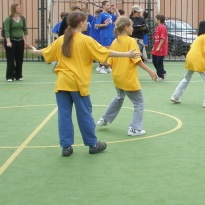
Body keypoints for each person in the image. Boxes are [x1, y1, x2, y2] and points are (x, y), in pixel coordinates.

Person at [29, 11, 141, 156]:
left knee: (64, 115)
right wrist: (127, 54)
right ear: (81, 23)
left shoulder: (62, 39)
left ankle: (66, 147)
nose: (87, 24)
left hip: (62, 83)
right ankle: (92, 144)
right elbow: (106, 52)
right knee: (85, 115)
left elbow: (47, 51)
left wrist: (35, 51)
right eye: (86, 21)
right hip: (78, 84)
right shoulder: (86, 40)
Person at [96, 16, 157, 136]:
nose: (133, 29)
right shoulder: (131, 41)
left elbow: (110, 63)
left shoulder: (115, 42)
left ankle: (104, 119)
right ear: (126, 27)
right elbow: (138, 61)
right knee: (139, 102)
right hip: (128, 78)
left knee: (119, 97)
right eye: (131, 26)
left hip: (117, 77)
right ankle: (134, 128)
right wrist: (150, 71)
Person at [170, 20, 205, 107]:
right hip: (197, 60)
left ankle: (175, 96)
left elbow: (199, 52)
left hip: (190, 59)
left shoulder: (198, 38)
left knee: (186, 79)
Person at [3, 3, 30, 82]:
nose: (20, 9)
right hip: (11, 41)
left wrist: (27, 41)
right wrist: (8, 41)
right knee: (10, 59)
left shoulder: (22, 18)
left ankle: (18, 75)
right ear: (14, 9)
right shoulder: (8, 19)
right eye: (18, 8)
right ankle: (10, 76)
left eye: (20, 8)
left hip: (20, 41)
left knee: (19, 59)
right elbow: (6, 30)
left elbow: (25, 29)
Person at [95, 1, 120, 73]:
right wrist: (105, 25)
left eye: (109, 5)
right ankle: (100, 66)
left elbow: (119, 17)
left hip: (111, 35)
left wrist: (115, 9)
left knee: (108, 51)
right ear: (103, 6)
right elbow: (96, 25)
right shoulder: (102, 14)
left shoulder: (109, 15)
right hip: (105, 35)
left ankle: (106, 65)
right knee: (107, 51)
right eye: (107, 5)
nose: (109, 6)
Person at [151, 14, 168, 81]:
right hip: (156, 48)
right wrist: (154, 47)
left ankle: (160, 76)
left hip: (160, 48)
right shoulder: (157, 27)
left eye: (155, 18)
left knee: (158, 62)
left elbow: (162, 38)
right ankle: (163, 72)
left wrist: (158, 47)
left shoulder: (162, 27)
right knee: (154, 61)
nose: (154, 19)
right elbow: (156, 39)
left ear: (159, 20)